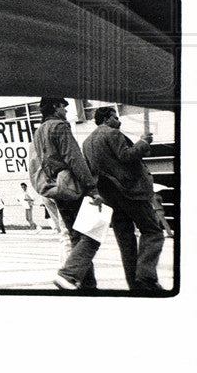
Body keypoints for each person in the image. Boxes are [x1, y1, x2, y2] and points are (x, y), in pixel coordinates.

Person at [82, 106, 164, 291]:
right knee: (152, 231)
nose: (119, 121)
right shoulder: (113, 134)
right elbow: (126, 156)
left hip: (109, 196)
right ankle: (146, 277)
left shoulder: (87, 142)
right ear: (106, 119)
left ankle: (134, 284)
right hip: (130, 192)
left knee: (125, 240)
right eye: (115, 117)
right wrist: (143, 143)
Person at [31, 96, 104, 291]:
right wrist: (91, 188)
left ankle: (87, 285)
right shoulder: (59, 126)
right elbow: (74, 158)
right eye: (64, 107)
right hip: (73, 187)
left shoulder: (38, 131)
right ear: (55, 106)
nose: (66, 111)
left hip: (57, 189)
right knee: (91, 235)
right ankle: (69, 274)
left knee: (75, 237)